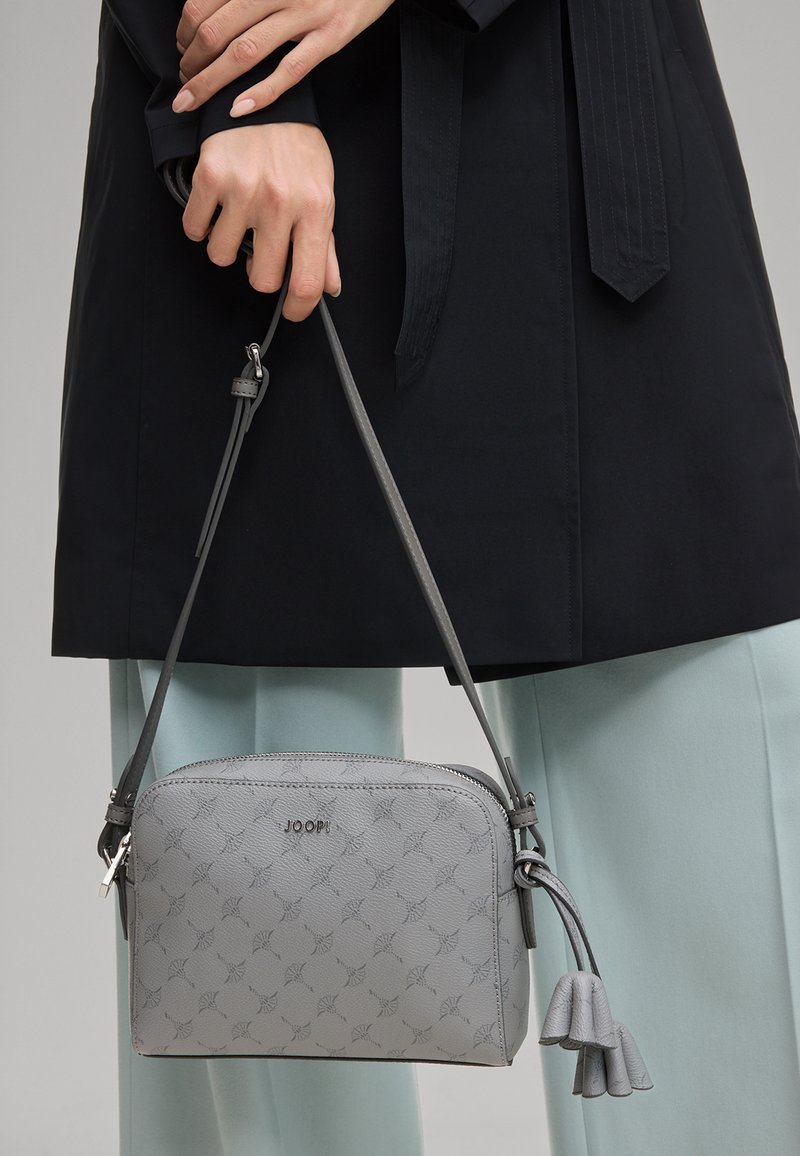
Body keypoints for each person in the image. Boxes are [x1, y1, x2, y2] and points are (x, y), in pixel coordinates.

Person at [53, 0, 800, 1153]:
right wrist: (240, 96)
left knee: (699, 820)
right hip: (250, 119)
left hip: (587, 120)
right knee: (249, 878)